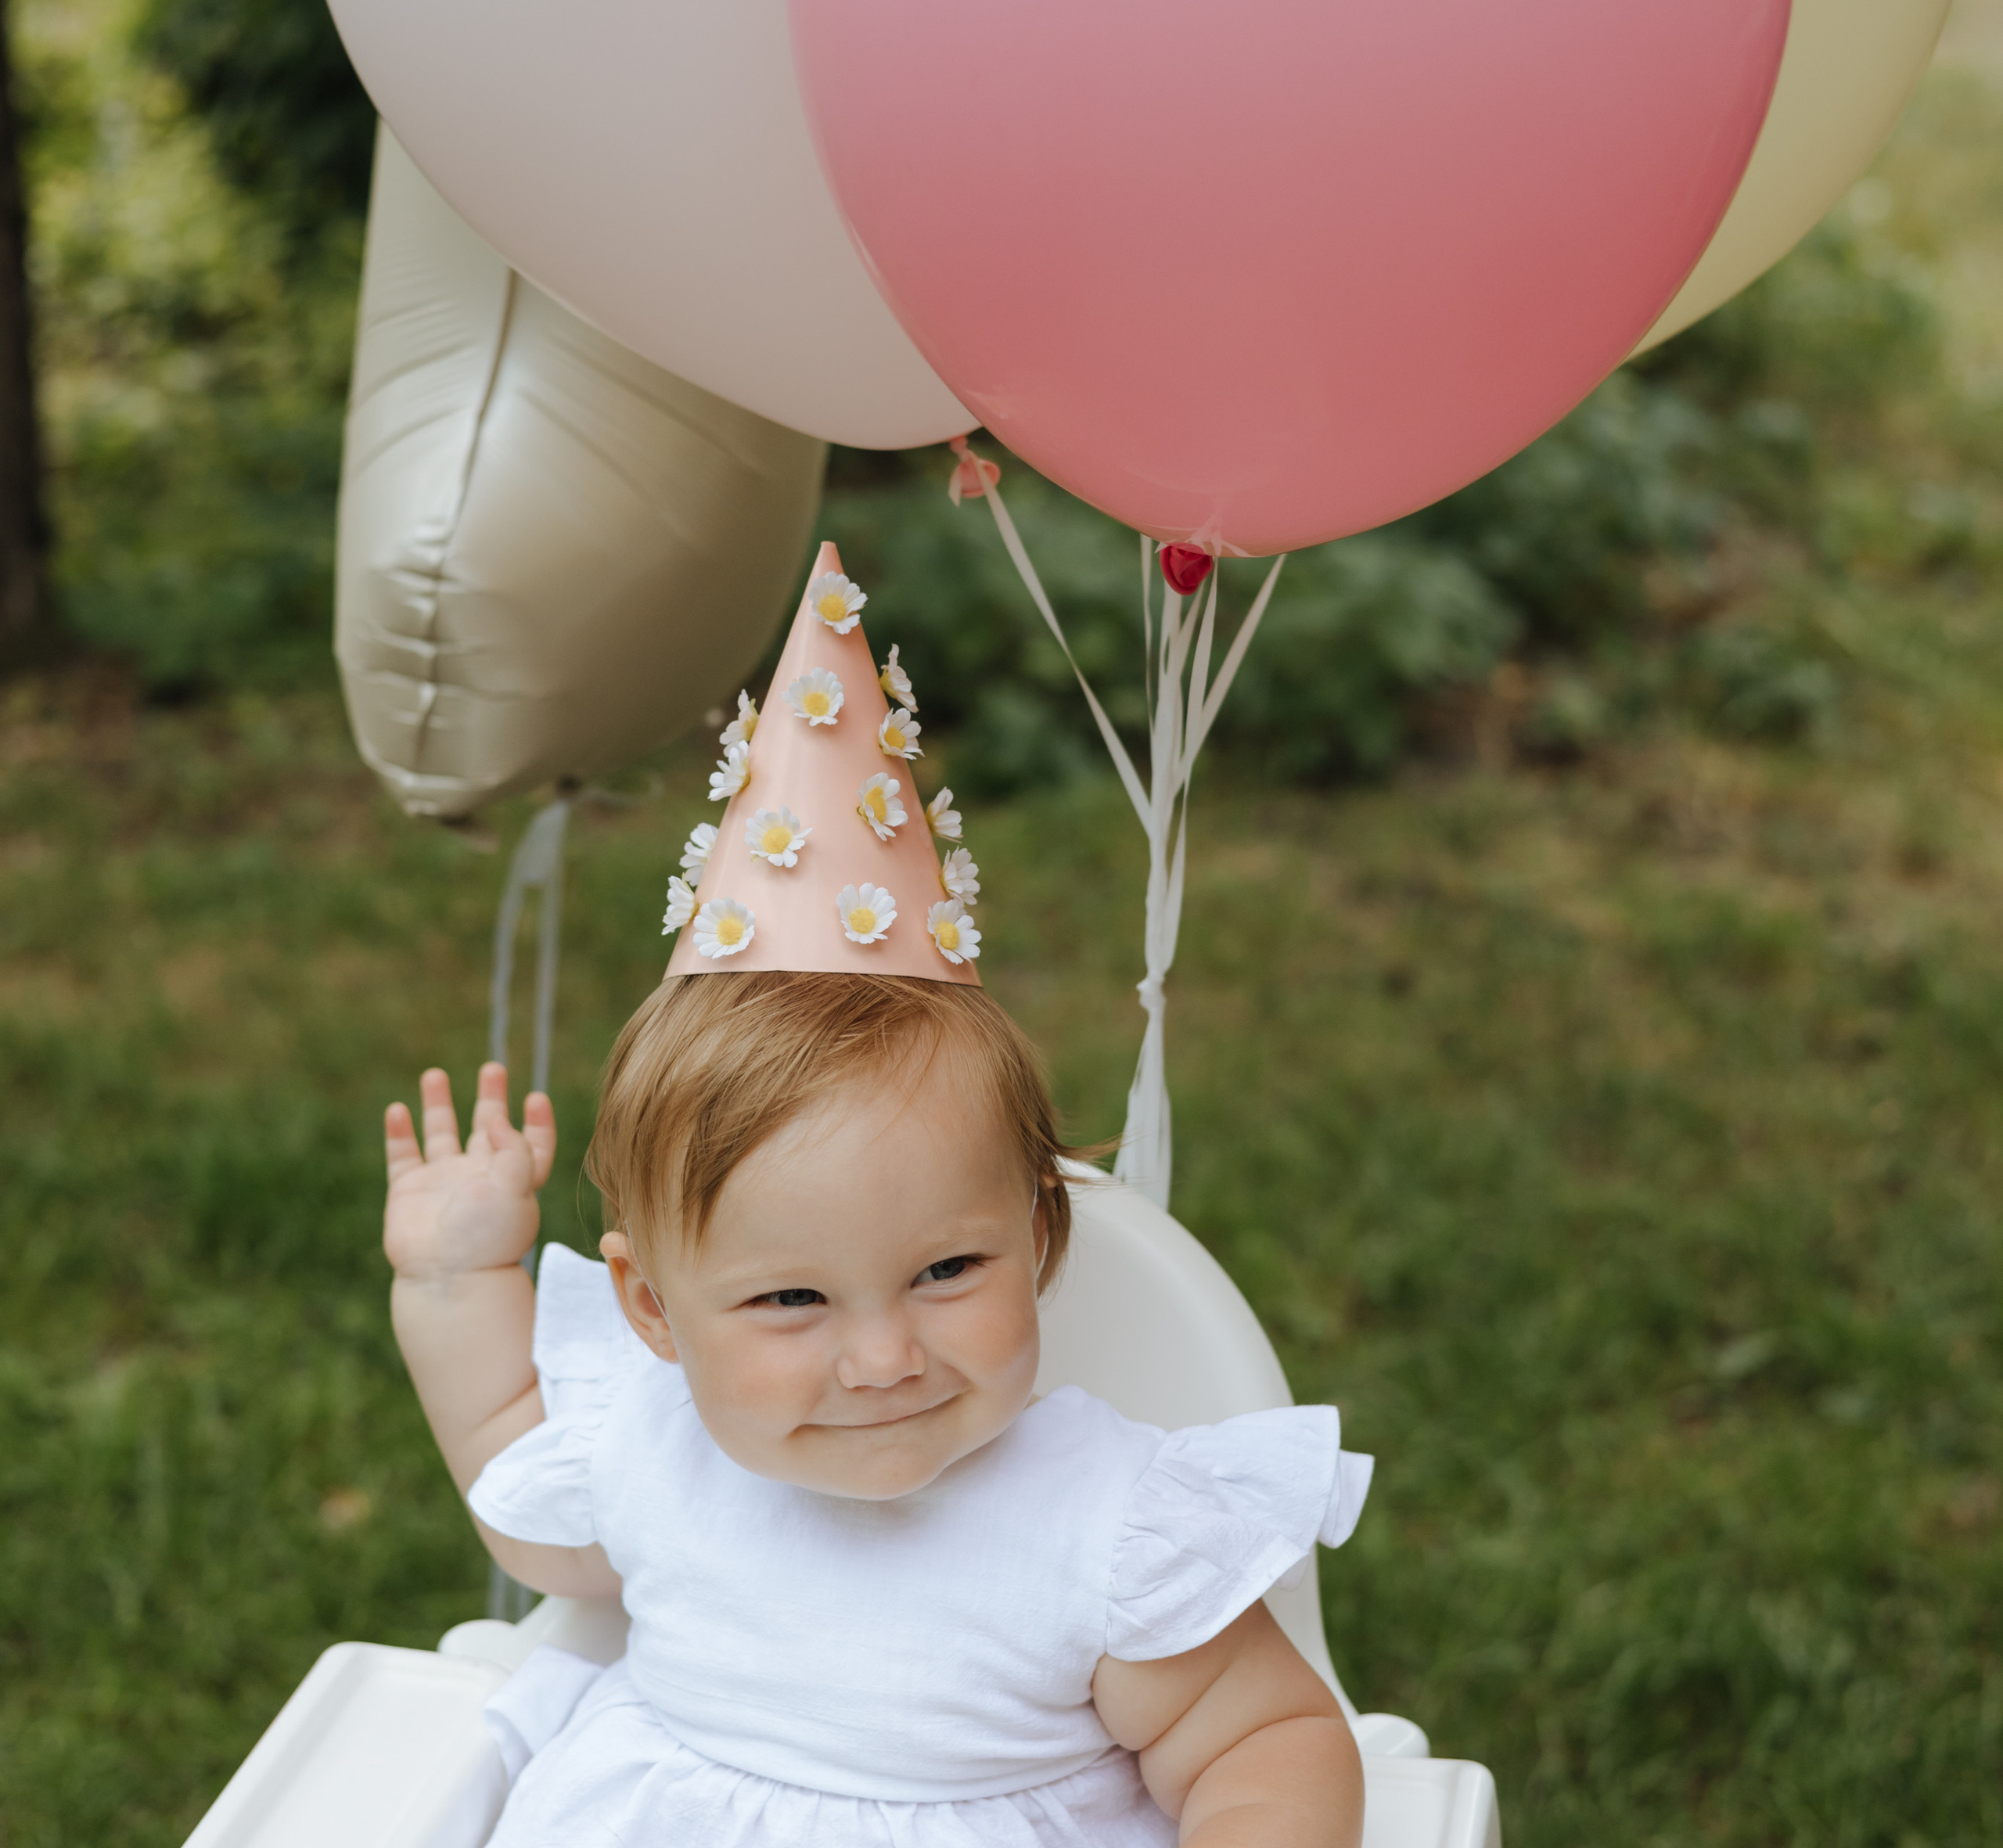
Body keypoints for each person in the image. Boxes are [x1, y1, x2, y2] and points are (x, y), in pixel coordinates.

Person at [383, 547, 1373, 1848]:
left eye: (947, 1272)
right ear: (652, 1310)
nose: (884, 1356)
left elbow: (1263, 1738)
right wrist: (456, 1286)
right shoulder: (655, 1452)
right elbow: (516, 1477)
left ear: (1038, 1234)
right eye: (792, 1298)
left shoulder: (1104, 1528)